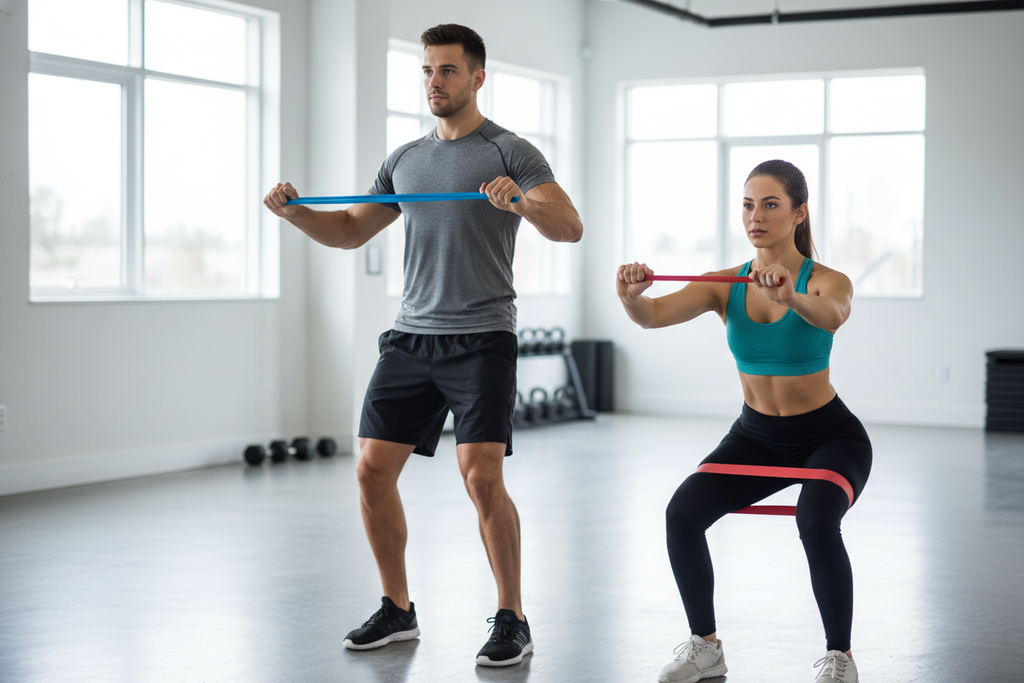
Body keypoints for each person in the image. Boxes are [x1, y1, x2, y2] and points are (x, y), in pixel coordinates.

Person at [264, 24, 582, 667]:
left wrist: (520, 201)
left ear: (477, 77)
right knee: (370, 469)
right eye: (428, 71)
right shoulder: (406, 158)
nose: (435, 82)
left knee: (482, 477)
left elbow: (568, 226)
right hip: (411, 338)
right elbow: (353, 230)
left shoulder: (510, 151)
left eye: (447, 71)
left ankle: (513, 617)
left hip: (483, 338)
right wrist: (297, 215)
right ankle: (397, 608)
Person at [616, 159, 872, 683]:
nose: (755, 215)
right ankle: (705, 647)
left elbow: (833, 316)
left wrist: (790, 297)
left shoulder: (826, 281)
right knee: (682, 514)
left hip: (831, 436)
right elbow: (655, 316)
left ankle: (840, 659)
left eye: (771, 204)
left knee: (816, 520)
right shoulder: (722, 283)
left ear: (799, 213)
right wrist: (630, 299)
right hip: (756, 436)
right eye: (748, 204)